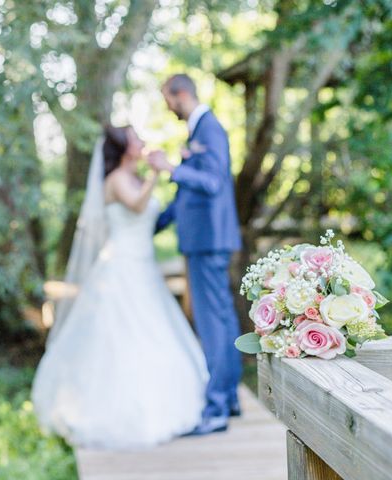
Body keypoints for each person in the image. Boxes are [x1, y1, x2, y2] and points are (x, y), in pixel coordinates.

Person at [32, 125, 208, 450]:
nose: (141, 142)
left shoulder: (138, 177)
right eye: (136, 139)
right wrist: (157, 172)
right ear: (124, 148)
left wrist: (172, 172)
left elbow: (154, 213)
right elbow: (138, 206)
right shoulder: (115, 180)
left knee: (152, 332)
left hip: (143, 266)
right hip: (120, 268)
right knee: (120, 335)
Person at [149, 73, 243, 435]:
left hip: (208, 241)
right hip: (205, 240)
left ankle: (216, 408)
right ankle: (229, 399)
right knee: (220, 320)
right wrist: (154, 224)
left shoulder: (210, 129)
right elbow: (189, 193)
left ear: (182, 94)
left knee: (212, 322)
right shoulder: (198, 130)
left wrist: (171, 168)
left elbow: (213, 183)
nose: (167, 107)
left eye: (167, 99)